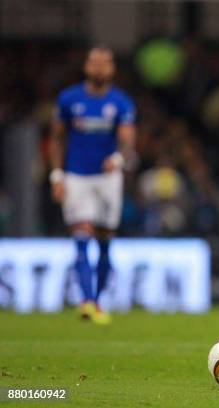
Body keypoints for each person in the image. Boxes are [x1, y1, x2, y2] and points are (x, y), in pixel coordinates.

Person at [49, 46, 136, 325]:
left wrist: (119, 157)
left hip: (107, 177)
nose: (99, 67)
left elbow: (127, 137)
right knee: (81, 233)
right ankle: (86, 301)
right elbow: (57, 139)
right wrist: (56, 175)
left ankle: (97, 300)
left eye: (104, 63)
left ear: (111, 69)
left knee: (104, 240)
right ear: (87, 66)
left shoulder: (120, 102)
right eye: (94, 62)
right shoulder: (68, 99)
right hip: (76, 175)